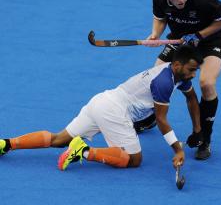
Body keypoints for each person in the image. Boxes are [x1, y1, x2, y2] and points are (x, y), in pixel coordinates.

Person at [0, 45, 203, 170]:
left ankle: (6, 144)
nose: (194, 74)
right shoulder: (164, 83)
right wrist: (177, 149)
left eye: (196, 70)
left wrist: (197, 130)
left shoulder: (178, 76)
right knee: (134, 160)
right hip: (114, 110)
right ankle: (85, 151)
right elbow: (161, 119)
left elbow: (192, 99)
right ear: (176, 65)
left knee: (58, 139)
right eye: (191, 69)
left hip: (101, 101)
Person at [147, 0, 221, 160]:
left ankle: (204, 139)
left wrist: (199, 35)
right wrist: (155, 35)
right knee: (155, 74)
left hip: (211, 42)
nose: (181, 0)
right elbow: (160, 18)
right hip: (180, 41)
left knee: (207, 83)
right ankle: (153, 116)